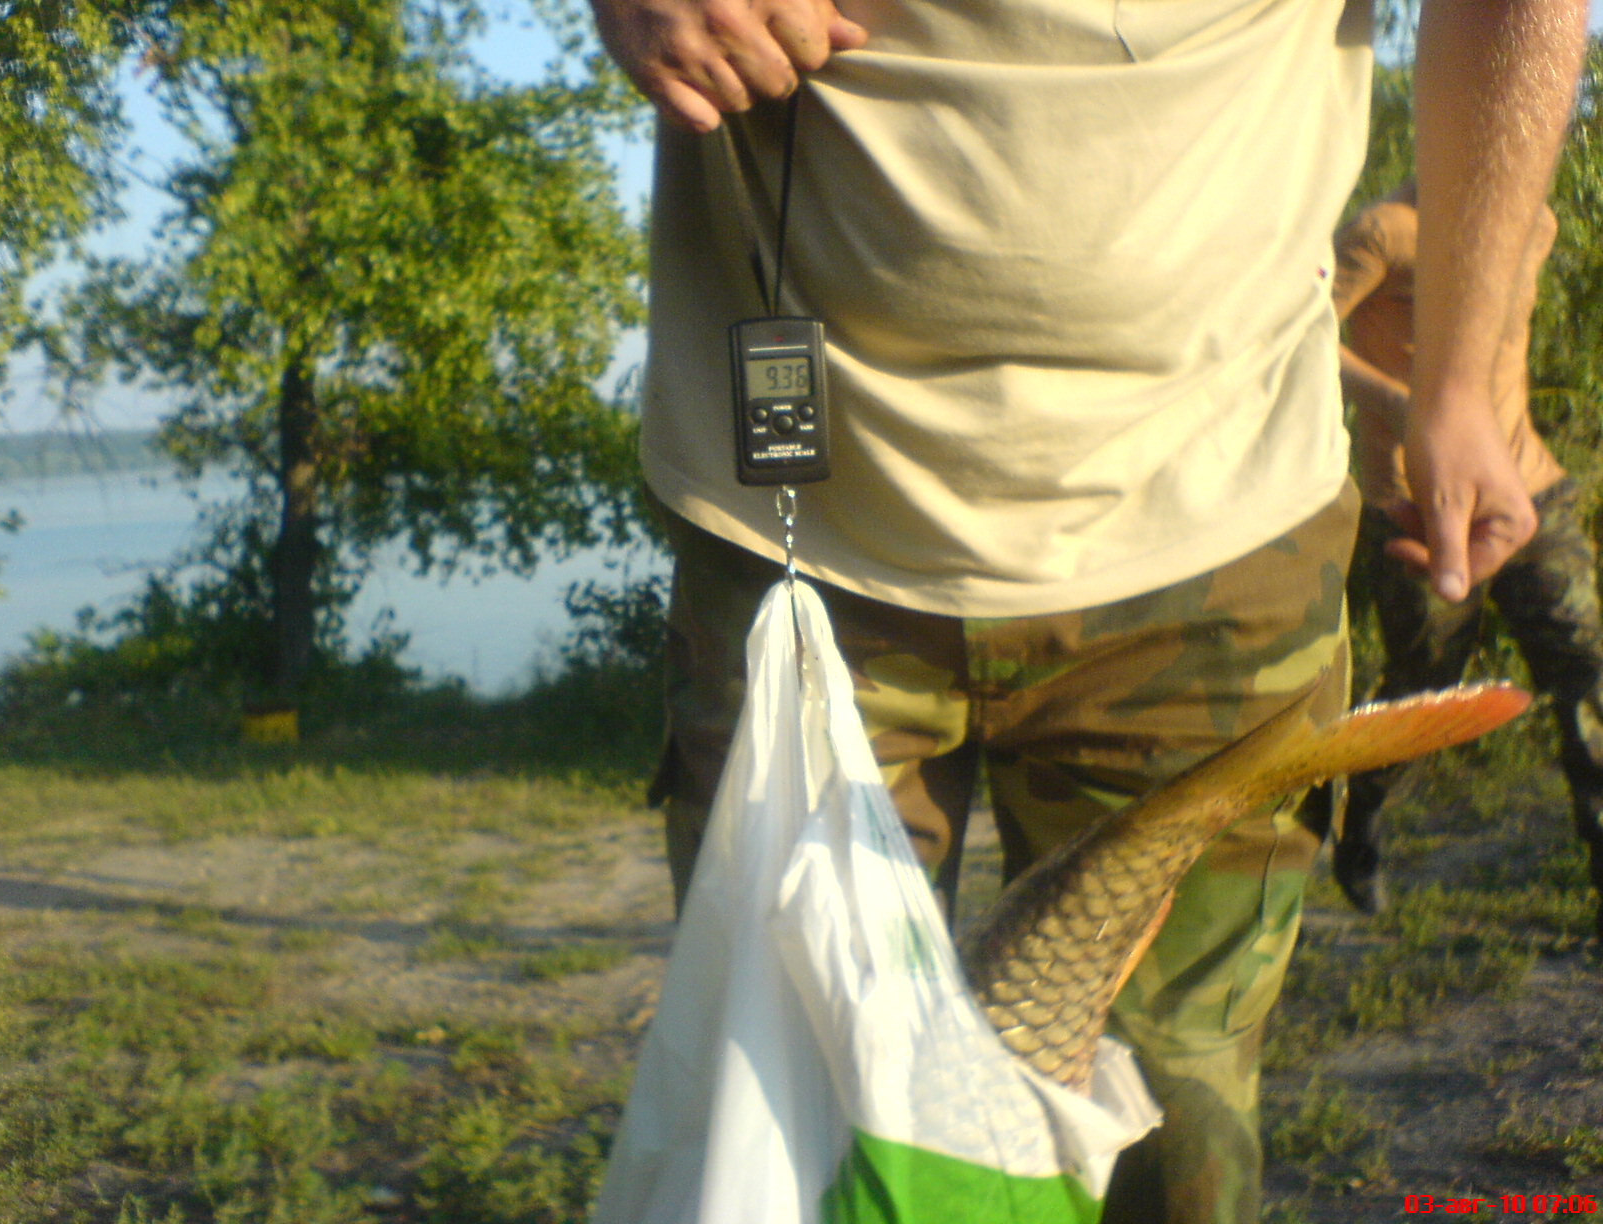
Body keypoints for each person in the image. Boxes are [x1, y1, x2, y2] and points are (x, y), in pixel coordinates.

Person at [583, 0, 1591, 1220]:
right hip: (799, 544)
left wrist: (1463, 378)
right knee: (787, 1134)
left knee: (1176, 1148)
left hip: (1220, 532)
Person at [1331, 182, 1603, 933]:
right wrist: (1401, 405)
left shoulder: (1536, 223)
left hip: (1530, 494)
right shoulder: (1383, 232)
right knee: (1428, 688)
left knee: (1589, 673)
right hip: (1421, 505)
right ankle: (1357, 815)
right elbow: (1297, 337)